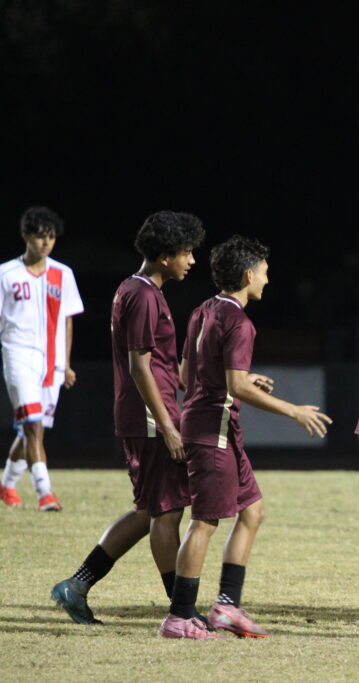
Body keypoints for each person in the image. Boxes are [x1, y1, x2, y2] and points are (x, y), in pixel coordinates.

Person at [159, 236, 332, 640]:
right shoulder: (239, 321)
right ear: (248, 274)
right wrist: (294, 411)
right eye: (265, 273)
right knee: (204, 523)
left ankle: (225, 607)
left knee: (252, 512)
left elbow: (187, 376)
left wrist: (238, 381)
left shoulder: (203, 310)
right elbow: (236, 386)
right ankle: (179, 616)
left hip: (214, 426)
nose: (268, 281)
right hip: (212, 431)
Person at [51, 211, 204, 625]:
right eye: (187, 252)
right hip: (150, 420)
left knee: (151, 510)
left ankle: (77, 585)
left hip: (149, 416)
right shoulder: (141, 294)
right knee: (167, 513)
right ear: (165, 255)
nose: (192, 260)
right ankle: (181, 610)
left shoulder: (139, 290)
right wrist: (168, 424)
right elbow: (140, 367)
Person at [0, 207, 84, 511]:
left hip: (52, 364)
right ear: (26, 237)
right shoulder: (5, 274)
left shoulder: (63, 274)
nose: (46, 243)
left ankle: (6, 485)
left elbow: (67, 321)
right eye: (40, 237)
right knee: (33, 424)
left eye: (51, 238)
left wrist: (67, 363)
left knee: (30, 430)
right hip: (17, 356)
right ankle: (44, 493)